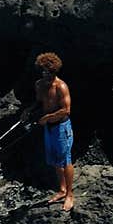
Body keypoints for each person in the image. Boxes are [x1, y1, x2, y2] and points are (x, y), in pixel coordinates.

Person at [34, 51, 74, 211]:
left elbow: (66, 110)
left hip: (62, 127)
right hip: (49, 128)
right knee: (55, 161)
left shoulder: (61, 86)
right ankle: (62, 189)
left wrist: (47, 118)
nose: (46, 75)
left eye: (50, 72)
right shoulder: (39, 85)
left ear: (54, 70)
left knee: (66, 160)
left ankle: (70, 194)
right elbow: (38, 103)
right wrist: (29, 111)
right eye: (44, 71)